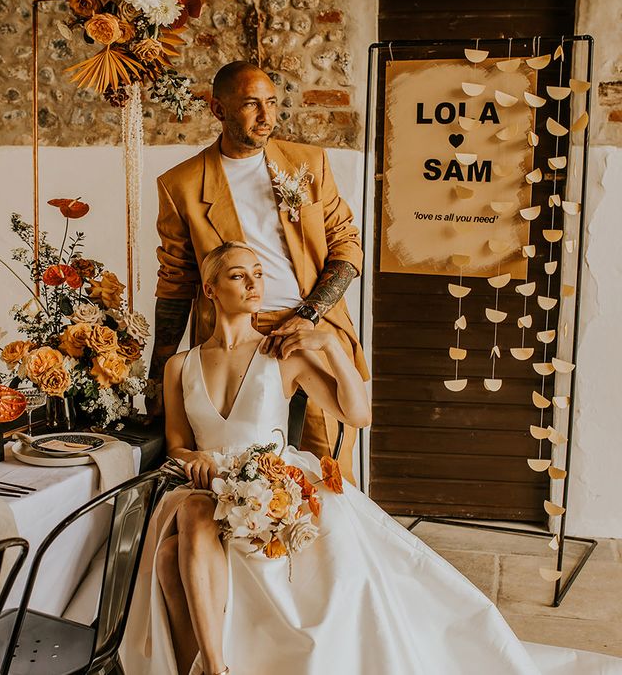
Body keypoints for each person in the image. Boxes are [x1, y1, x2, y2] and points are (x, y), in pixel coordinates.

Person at [121, 243, 621, 675]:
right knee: (174, 545)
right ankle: (210, 664)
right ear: (210, 289)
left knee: (185, 528)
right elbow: (177, 442)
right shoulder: (180, 366)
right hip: (208, 488)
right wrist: (196, 459)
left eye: (258, 273)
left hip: (277, 490)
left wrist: (331, 344)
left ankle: (212, 666)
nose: (254, 283)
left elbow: (357, 414)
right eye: (238, 275)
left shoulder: (282, 353)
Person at [147, 60, 368, 484]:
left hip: (311, 328)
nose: (267, 117)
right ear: (218, 110)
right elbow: (176, 279)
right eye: (251, 105)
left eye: (271, 103)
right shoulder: (181, 184)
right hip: (233, 338)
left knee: (328, 473)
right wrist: (159, 375)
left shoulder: (308, 163)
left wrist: (310, 316)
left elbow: (346, 245)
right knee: (242, 471)